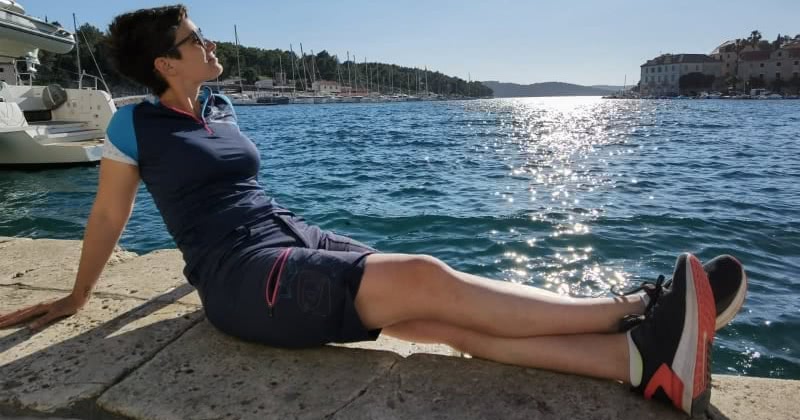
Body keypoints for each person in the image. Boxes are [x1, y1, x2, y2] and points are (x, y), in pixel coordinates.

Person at [0, 5, 748, 416]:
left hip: (288, 236)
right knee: (423, 275)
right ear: (167, 62)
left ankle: (634, 361)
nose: (209, 40)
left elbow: (223, 189)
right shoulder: (134, 124)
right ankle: (633, 311)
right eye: (194, 37)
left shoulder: (218, 107)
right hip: (243, 277)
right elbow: (109, 218)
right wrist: (77, 296)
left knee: (440, 321)